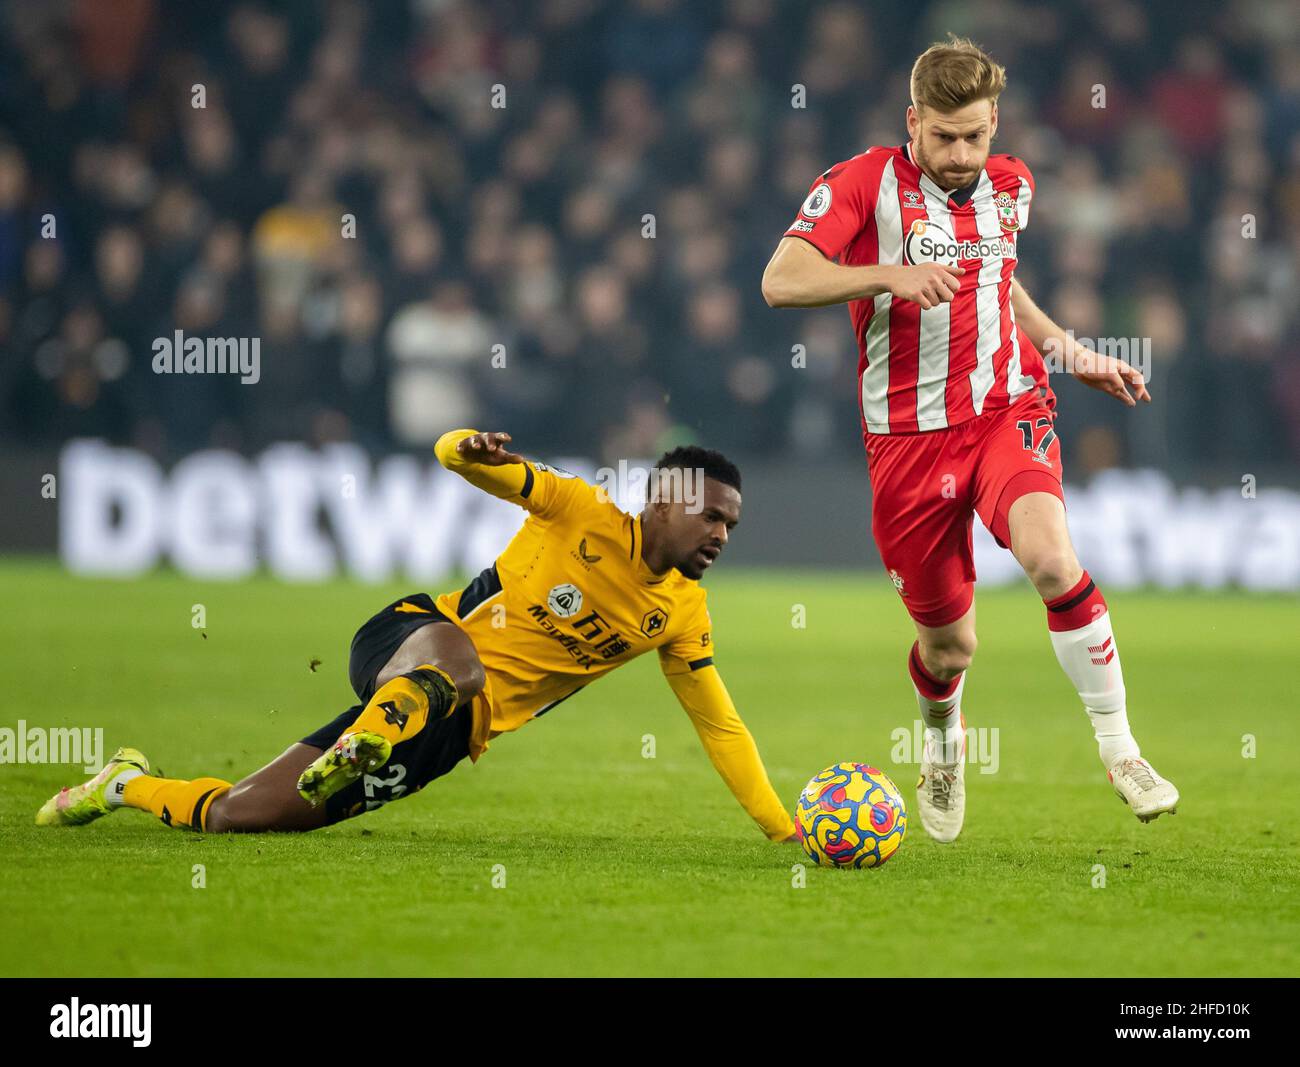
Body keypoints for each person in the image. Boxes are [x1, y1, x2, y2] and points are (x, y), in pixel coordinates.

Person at [760, 35, 1177, 842]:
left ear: (996, 124)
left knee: (1054, 560)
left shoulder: (1014, 184)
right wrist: (887, 274)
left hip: (1004, 410)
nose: (960, 155)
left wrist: (1067, 349)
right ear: (911, 121)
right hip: (908, 442)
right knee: (950, 647)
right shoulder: (861, 183)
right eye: (943, 137)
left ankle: (1120, 747)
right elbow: (782, 279)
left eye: (975, 137)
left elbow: (997, 278)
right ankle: (944, 737)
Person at [37, 430, 797, 844]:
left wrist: (783, 828)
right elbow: (455, 455)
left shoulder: (683, 615)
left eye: (731, 524)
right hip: (413, 639)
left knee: (245, 815)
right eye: (713, 516)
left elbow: (719, 724)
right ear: (665, 500)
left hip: (449, 733)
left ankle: (123, 783)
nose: (722, 534)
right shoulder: (580, 509)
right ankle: (365, 738)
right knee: (462, 665)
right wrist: (472, 448)